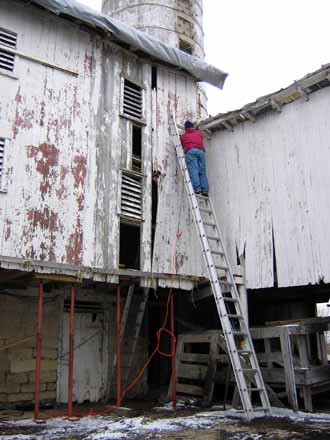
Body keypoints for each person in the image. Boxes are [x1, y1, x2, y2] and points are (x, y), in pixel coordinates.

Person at [180, 120, 209, 196]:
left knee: (194, 171)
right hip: (201, 152)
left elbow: (182, 145)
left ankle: (197, 189)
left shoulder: (183, 136)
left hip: (191, 152)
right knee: (202, 172)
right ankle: (205, 190)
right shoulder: (199, 134)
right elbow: (199, 136)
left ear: (185, 128)